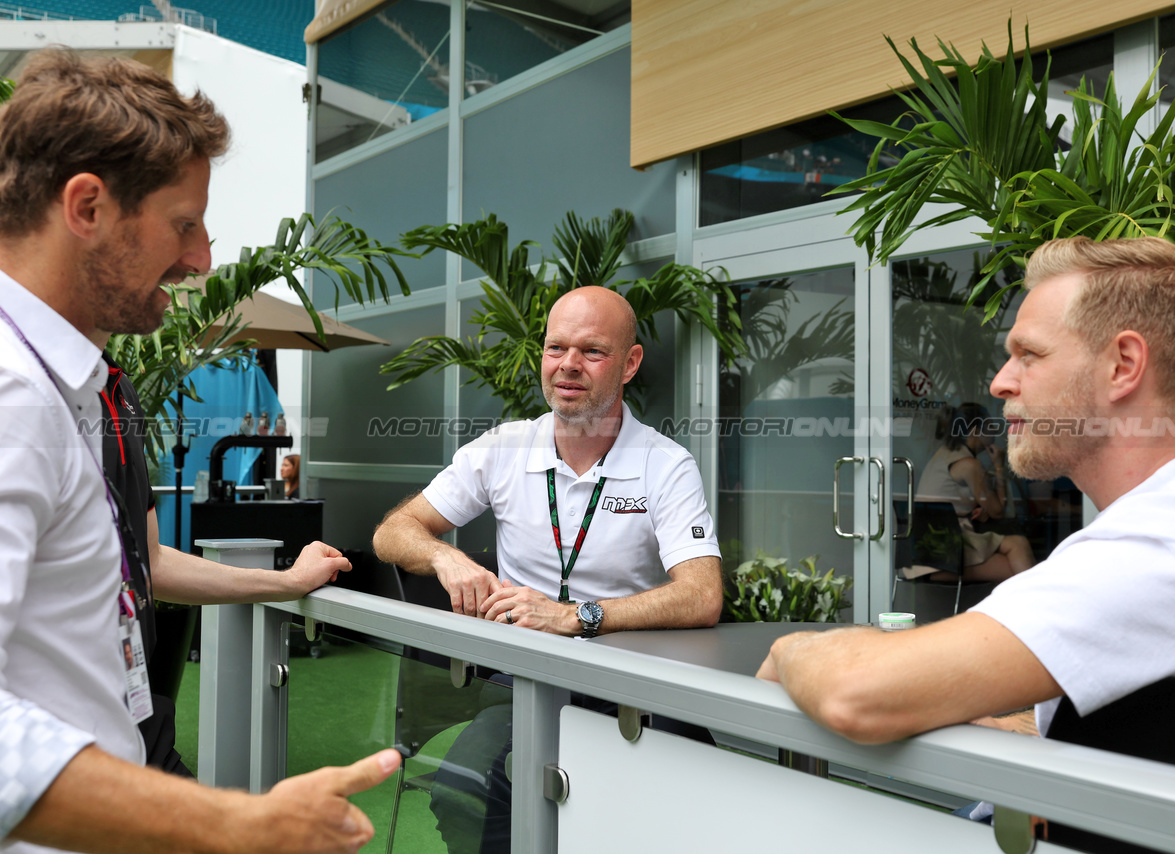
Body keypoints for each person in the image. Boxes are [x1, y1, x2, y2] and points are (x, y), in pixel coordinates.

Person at [0, 48, 397, 853]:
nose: (202, 263)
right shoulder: (15, 396)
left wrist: (281, 580)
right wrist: (239, 822)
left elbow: (131, 562)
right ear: (86, 207)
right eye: (184, 225)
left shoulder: (75, 384)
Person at [758, 237, 1175, 846]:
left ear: (1122, 367)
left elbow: (856, 695)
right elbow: (1170, 729)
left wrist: (792, 647)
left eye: (1028, 354)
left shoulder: (1156, 550)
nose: (1002, 382)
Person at [373, 285, 722, 854]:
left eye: (592, 351)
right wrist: (447, 556)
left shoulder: (665, 464)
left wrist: (574, 617)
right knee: (461, 791)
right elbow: (392, 532)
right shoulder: (503, 449)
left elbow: (702, 595)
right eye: (556, 348)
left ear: (630, 363)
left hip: (630, 684)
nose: (568, 366)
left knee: (675, 806)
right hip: (522, 680)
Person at [100, 355, 355, 775]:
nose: (176, 283)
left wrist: (289, 581)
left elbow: (151, 563)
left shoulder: (119, 390)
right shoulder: (25, 383)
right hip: (60, 737)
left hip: (136, 717)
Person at [914, 402, 1034, 582]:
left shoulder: (944, 454)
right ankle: (1039, 605)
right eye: (990, 425)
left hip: (925, 548)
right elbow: (998, 511)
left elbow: (955, 496)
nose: (995, 430)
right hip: (942, 554)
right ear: (976, 431)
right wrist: (998, 466)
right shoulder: (970, 464)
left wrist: (979, 507)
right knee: (1018, 553)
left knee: (1017, 554)